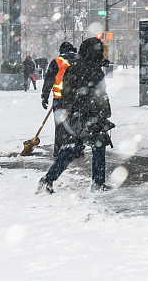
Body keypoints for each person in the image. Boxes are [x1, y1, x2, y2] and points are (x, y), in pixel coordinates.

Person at [37, 37, 115, 194]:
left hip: (77, 116)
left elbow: (69, 91)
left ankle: (49, 179)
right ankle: (98, 183)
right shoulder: (92, 69)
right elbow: (99, 95)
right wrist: (102, 114)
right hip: (89, 116)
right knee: (98, 146)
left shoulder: (77, 66)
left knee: (73, 148)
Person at [41, 41, 83, 158]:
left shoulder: (56, 62)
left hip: (60, 100)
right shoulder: (79, 61)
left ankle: (58, 149)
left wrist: (44, 97)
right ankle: (78, 149)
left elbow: (48, 81)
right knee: (76, 124)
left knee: (59, 125)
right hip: (77, 99)